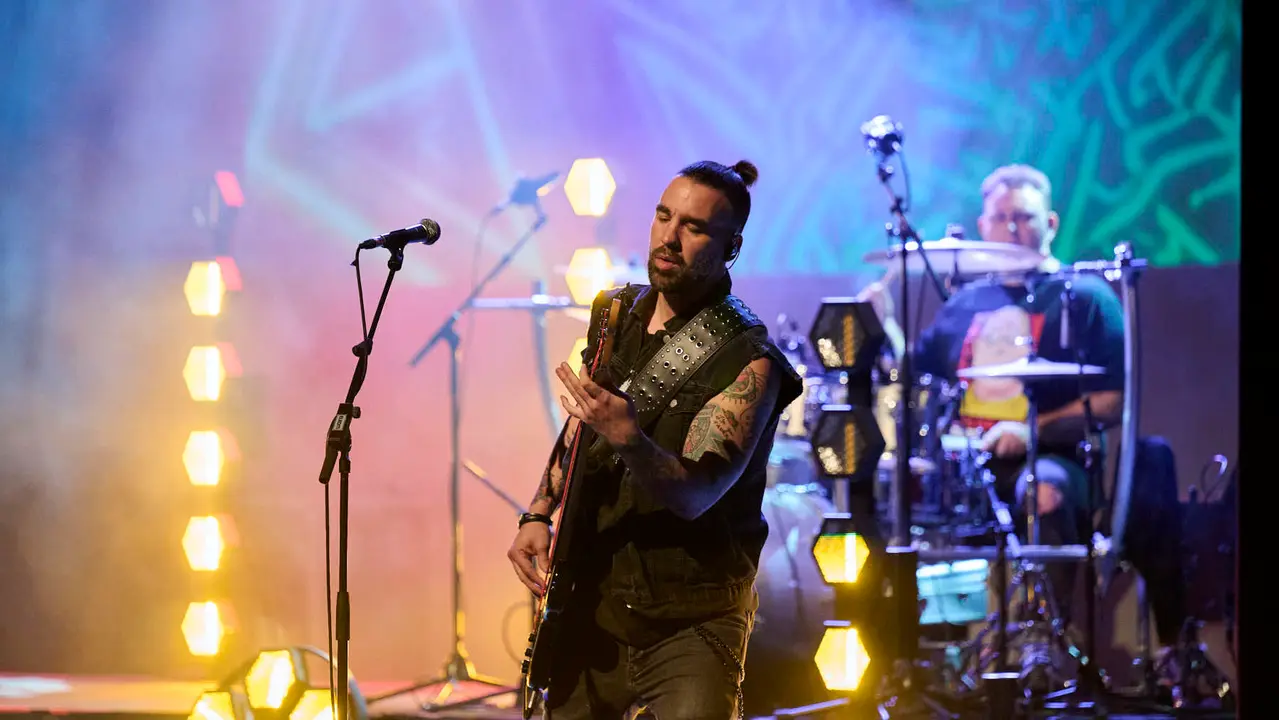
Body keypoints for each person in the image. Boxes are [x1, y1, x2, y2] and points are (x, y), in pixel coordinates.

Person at [860, 164, 1188, 693]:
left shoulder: (1084, 297)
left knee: (1045, 491)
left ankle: (1043, 640)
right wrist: (887, 324)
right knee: (883, 491)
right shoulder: (964, 305)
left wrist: (1033, 431)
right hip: (965, 465)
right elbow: (914, 376)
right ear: (983, 225)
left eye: (1025, 218)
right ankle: (897, 657)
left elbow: (1111, 400)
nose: (1012, 229)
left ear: (1051, 223)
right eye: (1002, 218)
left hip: (1053, 458)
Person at [507, 160, 803, 719]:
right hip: (592, 604)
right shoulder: (613, 313)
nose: (669, 237)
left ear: (730, 247)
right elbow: (582, 425)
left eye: (693, 227)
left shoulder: (752, 361)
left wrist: (631, 438)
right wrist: (537, 514)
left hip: (691, 625)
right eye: (663, 217)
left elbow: (696, 494)